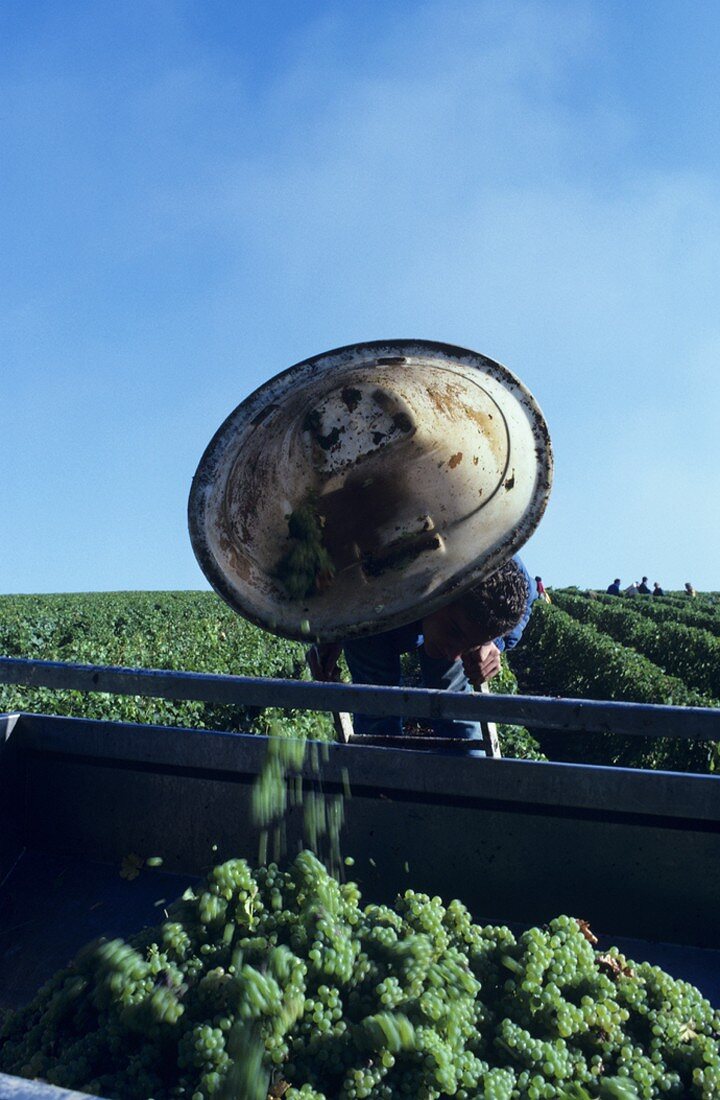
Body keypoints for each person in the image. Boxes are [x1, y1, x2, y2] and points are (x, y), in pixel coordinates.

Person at [309, 557, 535, 748]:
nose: (453, 654)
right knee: (376, 710)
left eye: (468, 644)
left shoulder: (487, 554)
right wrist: (333, 627)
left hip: (442, 610)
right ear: (443, 590)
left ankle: (465, 784)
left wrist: (494, 642)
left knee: (455, 711)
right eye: (454, 632)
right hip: (373, 606)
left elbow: (527, 590)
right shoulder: (376, 565)